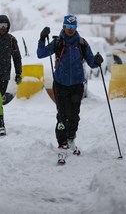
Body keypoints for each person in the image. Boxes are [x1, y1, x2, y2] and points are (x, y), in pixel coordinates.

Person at [37, 14, 103, 157]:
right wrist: (42, 38)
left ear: (76, 27)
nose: (70, 30)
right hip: (60, 84)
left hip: (77, 86)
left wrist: (97, 61)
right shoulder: (58, 43)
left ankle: (71, 138)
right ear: (64, 27)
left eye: (73, 27)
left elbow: (92, 62)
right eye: (68, 27)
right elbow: (40, 54)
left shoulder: (82, 43)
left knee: (74, 115)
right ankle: (62, 142)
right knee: (62, 115)